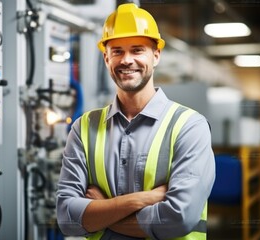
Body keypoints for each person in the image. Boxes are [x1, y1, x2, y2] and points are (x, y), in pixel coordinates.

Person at [56, 3, 215, 240]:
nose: (126, 60)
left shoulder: (189, 126)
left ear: (156, 55)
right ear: (106, 58)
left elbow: (178, 218)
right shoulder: (83, 128)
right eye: (117, 51)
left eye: (137, 50)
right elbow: (67, 218)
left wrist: (103, 213)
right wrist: (141, 199)